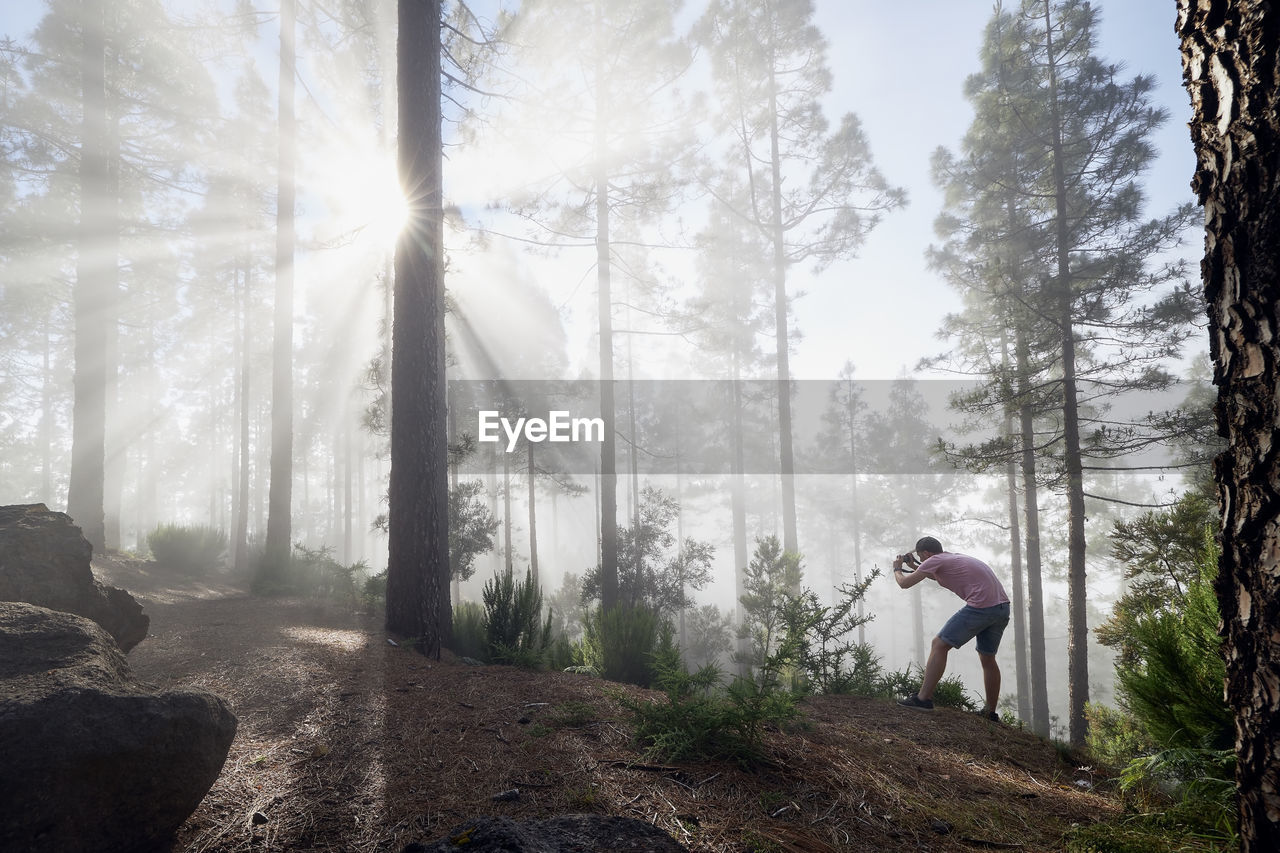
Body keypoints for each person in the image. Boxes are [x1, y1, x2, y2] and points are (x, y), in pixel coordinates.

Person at [891, 536, 1010, 721]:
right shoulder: (950, 558)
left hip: (982, 607)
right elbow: (935, 576)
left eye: (922, 558)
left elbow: (904, 583)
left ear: (926, 553)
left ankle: (923, 699)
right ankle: (990, 713)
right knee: (988, 658)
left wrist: (897, 568)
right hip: (1001, 608)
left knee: (939, 644)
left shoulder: (936, 560)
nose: (922, 562)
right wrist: (916, 566)